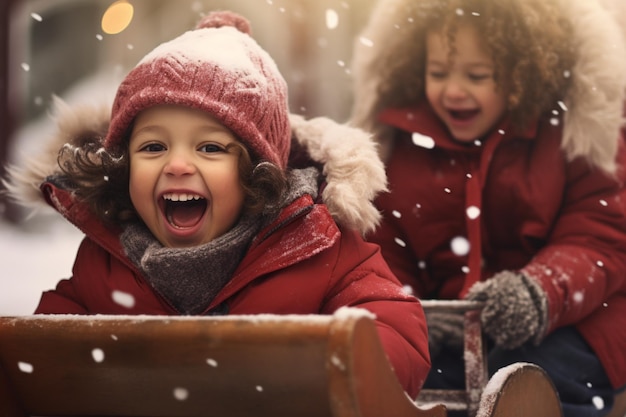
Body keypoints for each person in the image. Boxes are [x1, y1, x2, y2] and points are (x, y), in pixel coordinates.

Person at [3, 11, 430, 397]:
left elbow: (395, 328)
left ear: (257, 175)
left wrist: (326, 370)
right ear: (124, 166)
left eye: (209, 148)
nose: (177, 164)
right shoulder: (106, 262)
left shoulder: (316, 246)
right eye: (153, 146)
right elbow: (39, 358)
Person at [349, 0, 626, 415]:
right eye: (438, 72)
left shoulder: (576, 133)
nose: (454, 90)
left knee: (531, 384)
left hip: (582, 315)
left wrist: (540, 292)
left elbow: (599, 232)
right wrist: (409, 311)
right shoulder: (404, 144)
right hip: (459, 329)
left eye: (478, 75)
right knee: (426, 391)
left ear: (525, 72)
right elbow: (385, 245)